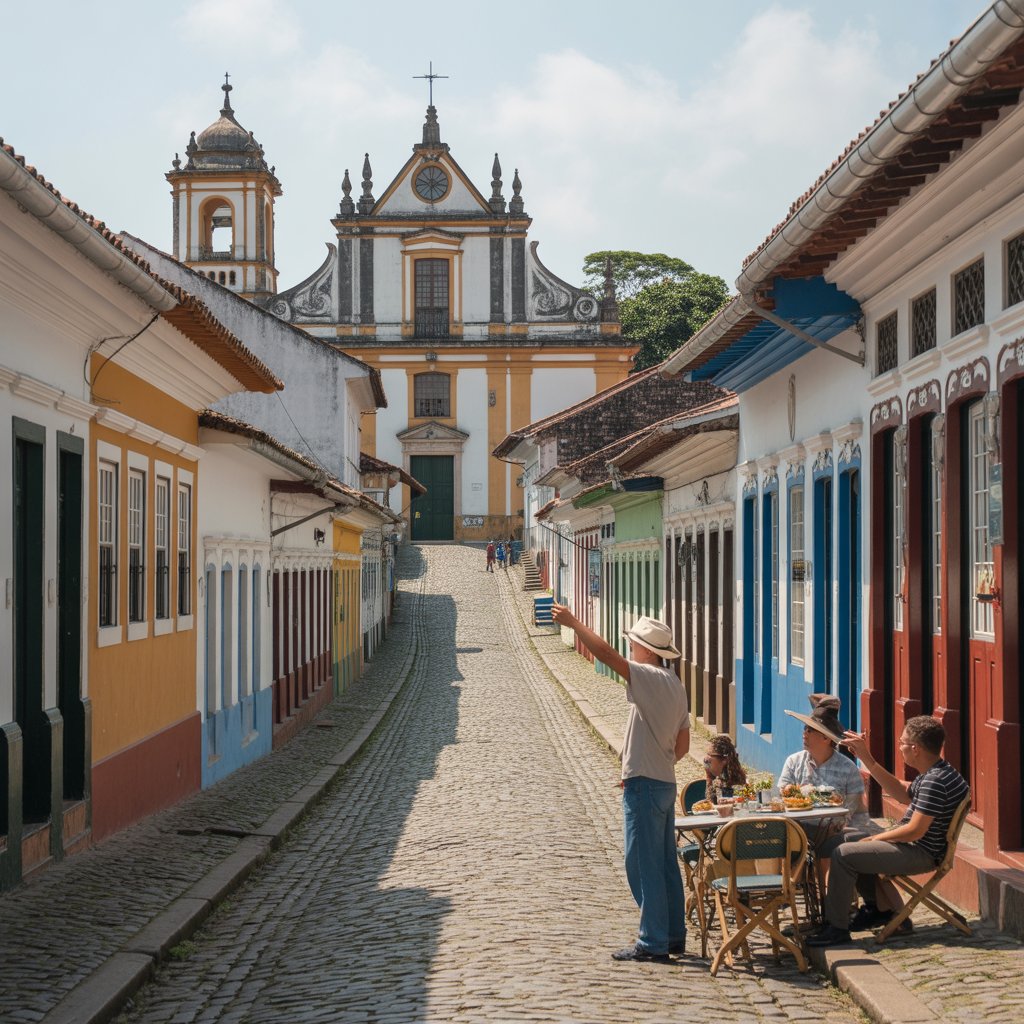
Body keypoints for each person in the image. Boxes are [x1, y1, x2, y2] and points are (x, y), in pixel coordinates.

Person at [550, 604, 690, 963]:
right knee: (664, 862)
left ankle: (653, 941)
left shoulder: (647, 675)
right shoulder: (674, 683)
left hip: (646, 783)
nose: (630, 647)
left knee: (641, 863)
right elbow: (683, 744)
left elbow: (607, 656)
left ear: (647, 651)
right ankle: (674, 935)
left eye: (634, 643)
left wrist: (574, 622)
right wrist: (652, 761)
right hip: (663, 781)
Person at [806, 715, 970, 948]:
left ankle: (836, 928)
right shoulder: (936, 772)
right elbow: (902, 794)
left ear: (915, 749)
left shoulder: (936, 781)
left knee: (844, 854)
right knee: (838, 839)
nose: (900, 746)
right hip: (913, 845)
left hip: (921, 853)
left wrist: (877, 837)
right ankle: (879, 910)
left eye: (902, 742)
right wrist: (868, 760)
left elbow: (914, 831)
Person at [781, 695, 872, 855]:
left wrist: (830, 827)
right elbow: (783, 791)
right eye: (805, 729)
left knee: (829, 843)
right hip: (800, 826)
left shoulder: (848, 769)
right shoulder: (794, 761)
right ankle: (790, 880)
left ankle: (825, 880)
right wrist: (792, 791)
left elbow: (847, 812)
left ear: (825, 737)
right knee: (781, 839)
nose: (804, 734)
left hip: (839, 829)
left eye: (810, 730)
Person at [703, 734, 746, 805]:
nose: (705, 760)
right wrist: (709, 778)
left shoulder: (733, 783)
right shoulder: (714, 778)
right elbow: (709, 806)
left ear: (724, 760)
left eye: (709, 756)